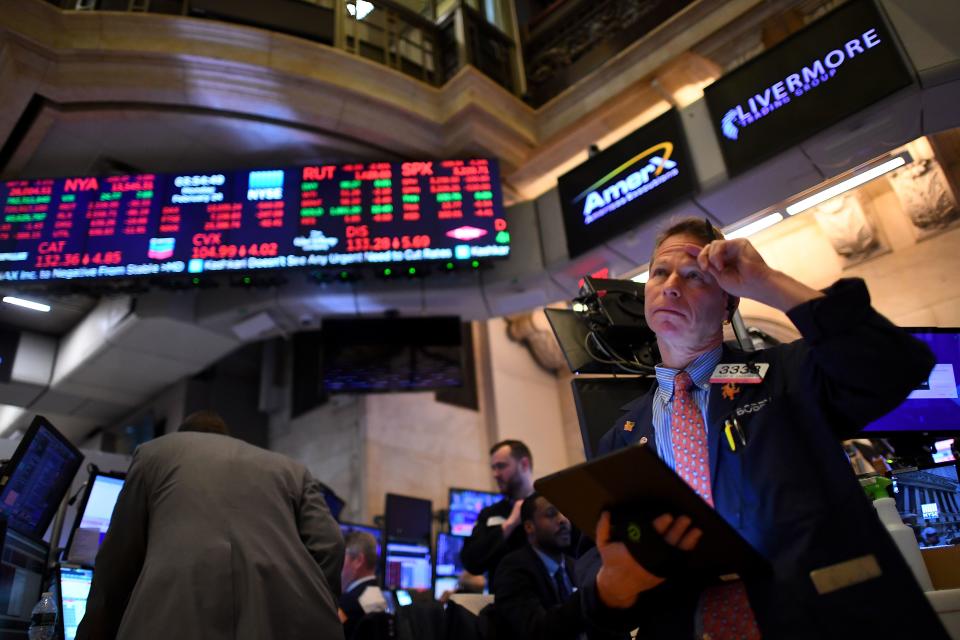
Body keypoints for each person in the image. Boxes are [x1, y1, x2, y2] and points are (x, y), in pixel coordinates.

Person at [576, 218, 947, 638]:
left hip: (824, 620)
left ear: (729, 303)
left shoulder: (784, 376)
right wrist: (609, 586)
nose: (671, 285)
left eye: (694, 275)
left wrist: (768, 282)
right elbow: (593, 553)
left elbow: (894, 366)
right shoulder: (623, 433)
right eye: (660, 272)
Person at [77, 410, 345, 640]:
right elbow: (330, 545)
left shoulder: (153, 454)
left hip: (173, 619)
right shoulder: (292, 470)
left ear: (182, 435)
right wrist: (316, 601)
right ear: (227, 437)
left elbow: (118, 561)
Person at [493, 492, 585, 640]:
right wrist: (590, 598)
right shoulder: (513, 569)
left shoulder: (575, 566)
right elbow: (535, 630)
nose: (563, 520)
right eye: (551, 514)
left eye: (565, 512)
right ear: (529, 526)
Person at [461, 439, 535, 584]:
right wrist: (508, 525)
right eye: (493, 468)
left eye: (501, 466)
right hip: (505, 601)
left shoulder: (550, 506)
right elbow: (471, 561)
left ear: (524, 464)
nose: (495, 474)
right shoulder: (489, 514)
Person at [339, 531, 389, 639]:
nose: (339, 566)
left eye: (342, 558)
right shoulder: (380, 596)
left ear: (358, 561)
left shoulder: (349, 602)